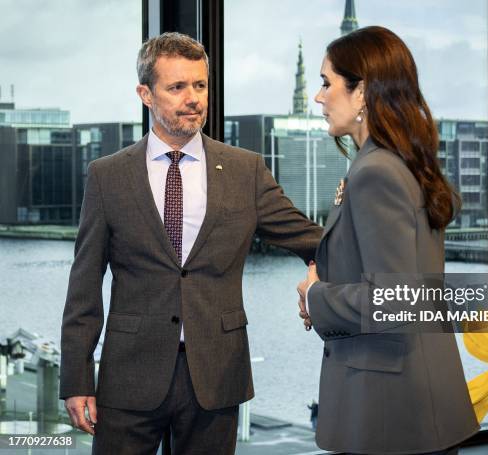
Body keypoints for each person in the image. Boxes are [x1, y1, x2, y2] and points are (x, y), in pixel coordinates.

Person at [60, 32, 322, 454]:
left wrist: (331, 262)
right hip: (128, 377)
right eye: (177, 87)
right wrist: (76, 380)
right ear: (146, 94)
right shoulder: (107, 176)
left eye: (200, 85)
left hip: (216, 377)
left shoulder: (246, 170)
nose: (193, 98)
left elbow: (311, 239)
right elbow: (84, 283)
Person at [297, 26, 479, 455]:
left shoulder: (376, 171)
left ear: (362, 93)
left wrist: (317, 296)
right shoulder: (400, 161)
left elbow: (395, 299)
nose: (319, 97)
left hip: (389, 412)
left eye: (327, 83)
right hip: (410, 402)